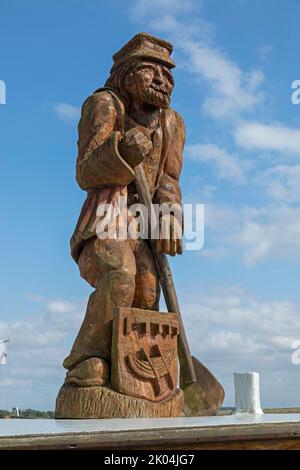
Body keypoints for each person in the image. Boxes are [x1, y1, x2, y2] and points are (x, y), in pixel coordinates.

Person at [63, 33, 185, 387]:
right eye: (151, 71)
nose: (162, 80)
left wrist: (170, 215)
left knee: (148, 290)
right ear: (127, 74)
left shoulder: (172, 123)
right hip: (106, 219)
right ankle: (86, 359)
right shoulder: (104, 105)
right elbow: (85, 170)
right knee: (120, 274)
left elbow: (170, 179)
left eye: (168, 75)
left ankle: (137, 373)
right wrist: (121, 151)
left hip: (142, 224)